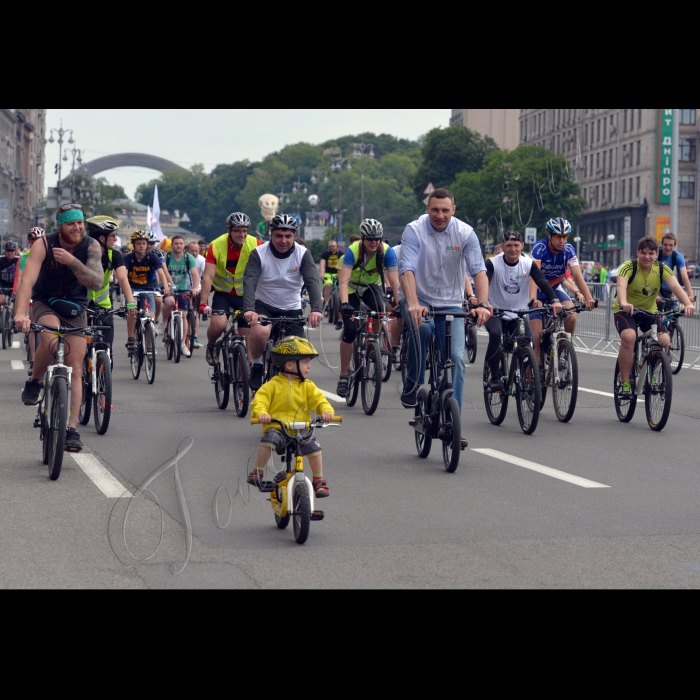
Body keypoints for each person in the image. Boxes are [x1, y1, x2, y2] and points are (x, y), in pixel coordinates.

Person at [399, 188, 491, 436]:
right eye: (435, 210)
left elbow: (478, 270)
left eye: (445, 210)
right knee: (423, 327)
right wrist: (413, 302)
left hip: (451, 303)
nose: (439, 215)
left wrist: (482, 303)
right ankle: (414, 380)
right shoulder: (414, 230)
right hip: (420, 298)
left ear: (454, 211)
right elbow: (406, 267)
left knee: (457, 359)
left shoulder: (465, 233)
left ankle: (453, 418)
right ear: (427, 208)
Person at [14, 203, 104, 453]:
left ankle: (72, 430)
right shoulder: (43, 244)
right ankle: (35, 380)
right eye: (71, 223)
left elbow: (96, 282)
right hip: (46, 302)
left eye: (80, 223)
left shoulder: (91, 246)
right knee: (52, 340)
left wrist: (73, 261)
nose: (77, 227)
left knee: (75, 364)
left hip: (75, 306)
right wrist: (20, 313)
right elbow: (27, 280)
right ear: (60, 226)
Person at [243, 215, 323, 391]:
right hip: (265, 304)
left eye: (288, 236)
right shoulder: (259, 253)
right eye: (279, 235)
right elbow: (250, 281)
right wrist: (249, 308)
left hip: (291, 308)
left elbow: (313, 282)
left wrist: (316, 309)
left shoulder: (303, 254)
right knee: (261, 331)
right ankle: (257, 365)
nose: (283, 240)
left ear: (294, 236)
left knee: (296, 353)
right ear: (271, 234)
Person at [249, 337, 333, 498]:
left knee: (315, 448)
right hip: (279, 429)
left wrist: (325, 411)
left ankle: (318, 480)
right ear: (289, 365)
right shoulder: (272, 385)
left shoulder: (308, 386)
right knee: (269, 440)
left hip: (301, 430)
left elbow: (319, 401)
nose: (309, 366)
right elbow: (259, 402)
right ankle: (257, 472)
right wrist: (262, 414)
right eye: (305, 362)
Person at [614, 236, 694, 397]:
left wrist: (688, 304)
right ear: (638, 252)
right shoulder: (628, 266)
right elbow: (621, 285)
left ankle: (649, 369)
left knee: (663, 341)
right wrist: (624, 302)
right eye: (643, 253)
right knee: (629, 337)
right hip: (625, 310)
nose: (647, 257)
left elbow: (676, 286)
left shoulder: (662, 269)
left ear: (656, 254)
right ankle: (625, 384)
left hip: (649, 311)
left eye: (651, 253)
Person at [484, 232, 562, 391]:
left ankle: (524, 375)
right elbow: (485, 283)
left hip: (518, 313)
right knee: (495, 334)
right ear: (503, 246)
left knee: (529, 342)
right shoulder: (492, 263)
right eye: (509, 245)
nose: (512, 249)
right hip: (495, 311)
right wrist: (484, 303)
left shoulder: (528, 263)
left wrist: (555, 300)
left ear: (522, 246)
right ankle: (495, 378)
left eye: (516, 245)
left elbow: (541, 281)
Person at [335, 219, 399, 397]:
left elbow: (394, 279)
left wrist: (398, 302)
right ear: (362, 238)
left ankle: (373, 342)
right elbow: (344, 280)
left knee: (380, 309)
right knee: (349, 330)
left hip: (371, 287)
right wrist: (345, 303)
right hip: (352, 287)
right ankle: (344, 376)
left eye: (377, 239)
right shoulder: (352, 251)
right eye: (370, 239)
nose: (373, 242)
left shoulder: (387, 251)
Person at [529, 217, 596, 362]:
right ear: (550, 235)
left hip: (554, 288)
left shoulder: (569, 249)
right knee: (536, 338)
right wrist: (533, 299)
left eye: (564, 236)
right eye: (558, 236)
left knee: (571, 315)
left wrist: (589, 298)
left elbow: (577, 275)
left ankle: (562, 351)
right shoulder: (539, 248)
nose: (562, 240)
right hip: (538, 290)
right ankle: (532, 381)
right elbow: (534, 276)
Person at [199, 213, 261, 366]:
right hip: (224, 294)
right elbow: (208, 276)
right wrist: (203, 302)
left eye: (245, 230)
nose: (242, 234)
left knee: (247, 341)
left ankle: (242, 382)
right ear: (229, 231)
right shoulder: (216, 245)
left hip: (245, 295)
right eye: (238, 231)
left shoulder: (256, 244)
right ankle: (212, 346)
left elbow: (264, 273)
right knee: (218, 326)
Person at [85, 216, 137, 355]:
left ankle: (105, 366)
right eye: (113, 236)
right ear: (102, 238)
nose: (115, 239)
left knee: (107, 349)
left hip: (104, 306)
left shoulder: (114, 255)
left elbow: (122, 278)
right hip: (81, 304)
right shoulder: (82, 252)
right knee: (76, 350)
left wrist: (130, 302)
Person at [124, 230, 171, 350]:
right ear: (134, 245)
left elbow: (161, 272)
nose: (142, 246)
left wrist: (165, 287)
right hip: (133, 289)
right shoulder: (129, 258)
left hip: (149, 289)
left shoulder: (153, 257)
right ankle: (131, 338)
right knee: (132, 311)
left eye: (144, 243)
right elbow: (123, 276)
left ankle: (150, 346)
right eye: (138, 243)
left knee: (150, 318)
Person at [163, 234, 200, 357]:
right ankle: (164, 322)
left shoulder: (189, 258)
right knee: (170, 303)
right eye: (176, 243)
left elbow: (195, 274)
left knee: (183, 315)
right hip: (168, 289)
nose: (178, 245)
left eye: (181, 243)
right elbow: (162, 273)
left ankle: (183, 343)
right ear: (172, 245)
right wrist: (165, 288)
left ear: (184, 245)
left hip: (182, 289)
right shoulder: (166, 257)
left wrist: (195, 288)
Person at [657, 233, 696, 314]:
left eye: (671, 245)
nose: (668, 248)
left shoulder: (678, 256)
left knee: (672, 314)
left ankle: (672, 326)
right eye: (665, 245)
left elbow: (684, 277)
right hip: (655, 288)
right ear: (662, 245)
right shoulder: (656, 254)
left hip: (668, 287)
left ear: (674, 246)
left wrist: (690, 294)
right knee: (657, 313)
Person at [146, 230, 174, 325]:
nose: (149, 246)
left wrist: (170, 286)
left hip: (152, 280)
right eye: (147, 243)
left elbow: (164, 271)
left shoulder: (158, 253)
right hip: (136, 280)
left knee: (158, 300)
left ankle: (154, 320)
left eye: (152, 243)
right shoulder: (136, 251)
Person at [187, 241, 206, 348]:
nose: (194, 253)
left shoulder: (202, 260)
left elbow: (205, 275)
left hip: (196, 289)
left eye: (196, 251)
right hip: (183, 289)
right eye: (192, 251)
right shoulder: (184, 258)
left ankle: (194, 337)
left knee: (195, 313)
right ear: (187, 250)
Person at [319, 239, 341, 310]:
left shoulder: (340, 254)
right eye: (330, 246)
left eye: (333, 246)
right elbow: (322, 263)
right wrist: (322, 273)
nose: (332, 248)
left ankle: (340, 302)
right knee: (328, 285)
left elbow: (343, 264)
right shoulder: (325, 254)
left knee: (341, 287)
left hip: (337, 273)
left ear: (336, 246)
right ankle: (326, 304)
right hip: (328, 274)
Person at [0, 240, 20, 306]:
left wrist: (15, 289)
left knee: (16, 303)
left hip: (14, 285)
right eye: (8, 251)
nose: (10, 253)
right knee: (1, 301)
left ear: (15, 251)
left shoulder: (19, 259)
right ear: (5, 251)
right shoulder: (1, 259)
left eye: (12, 251)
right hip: (2, 285)